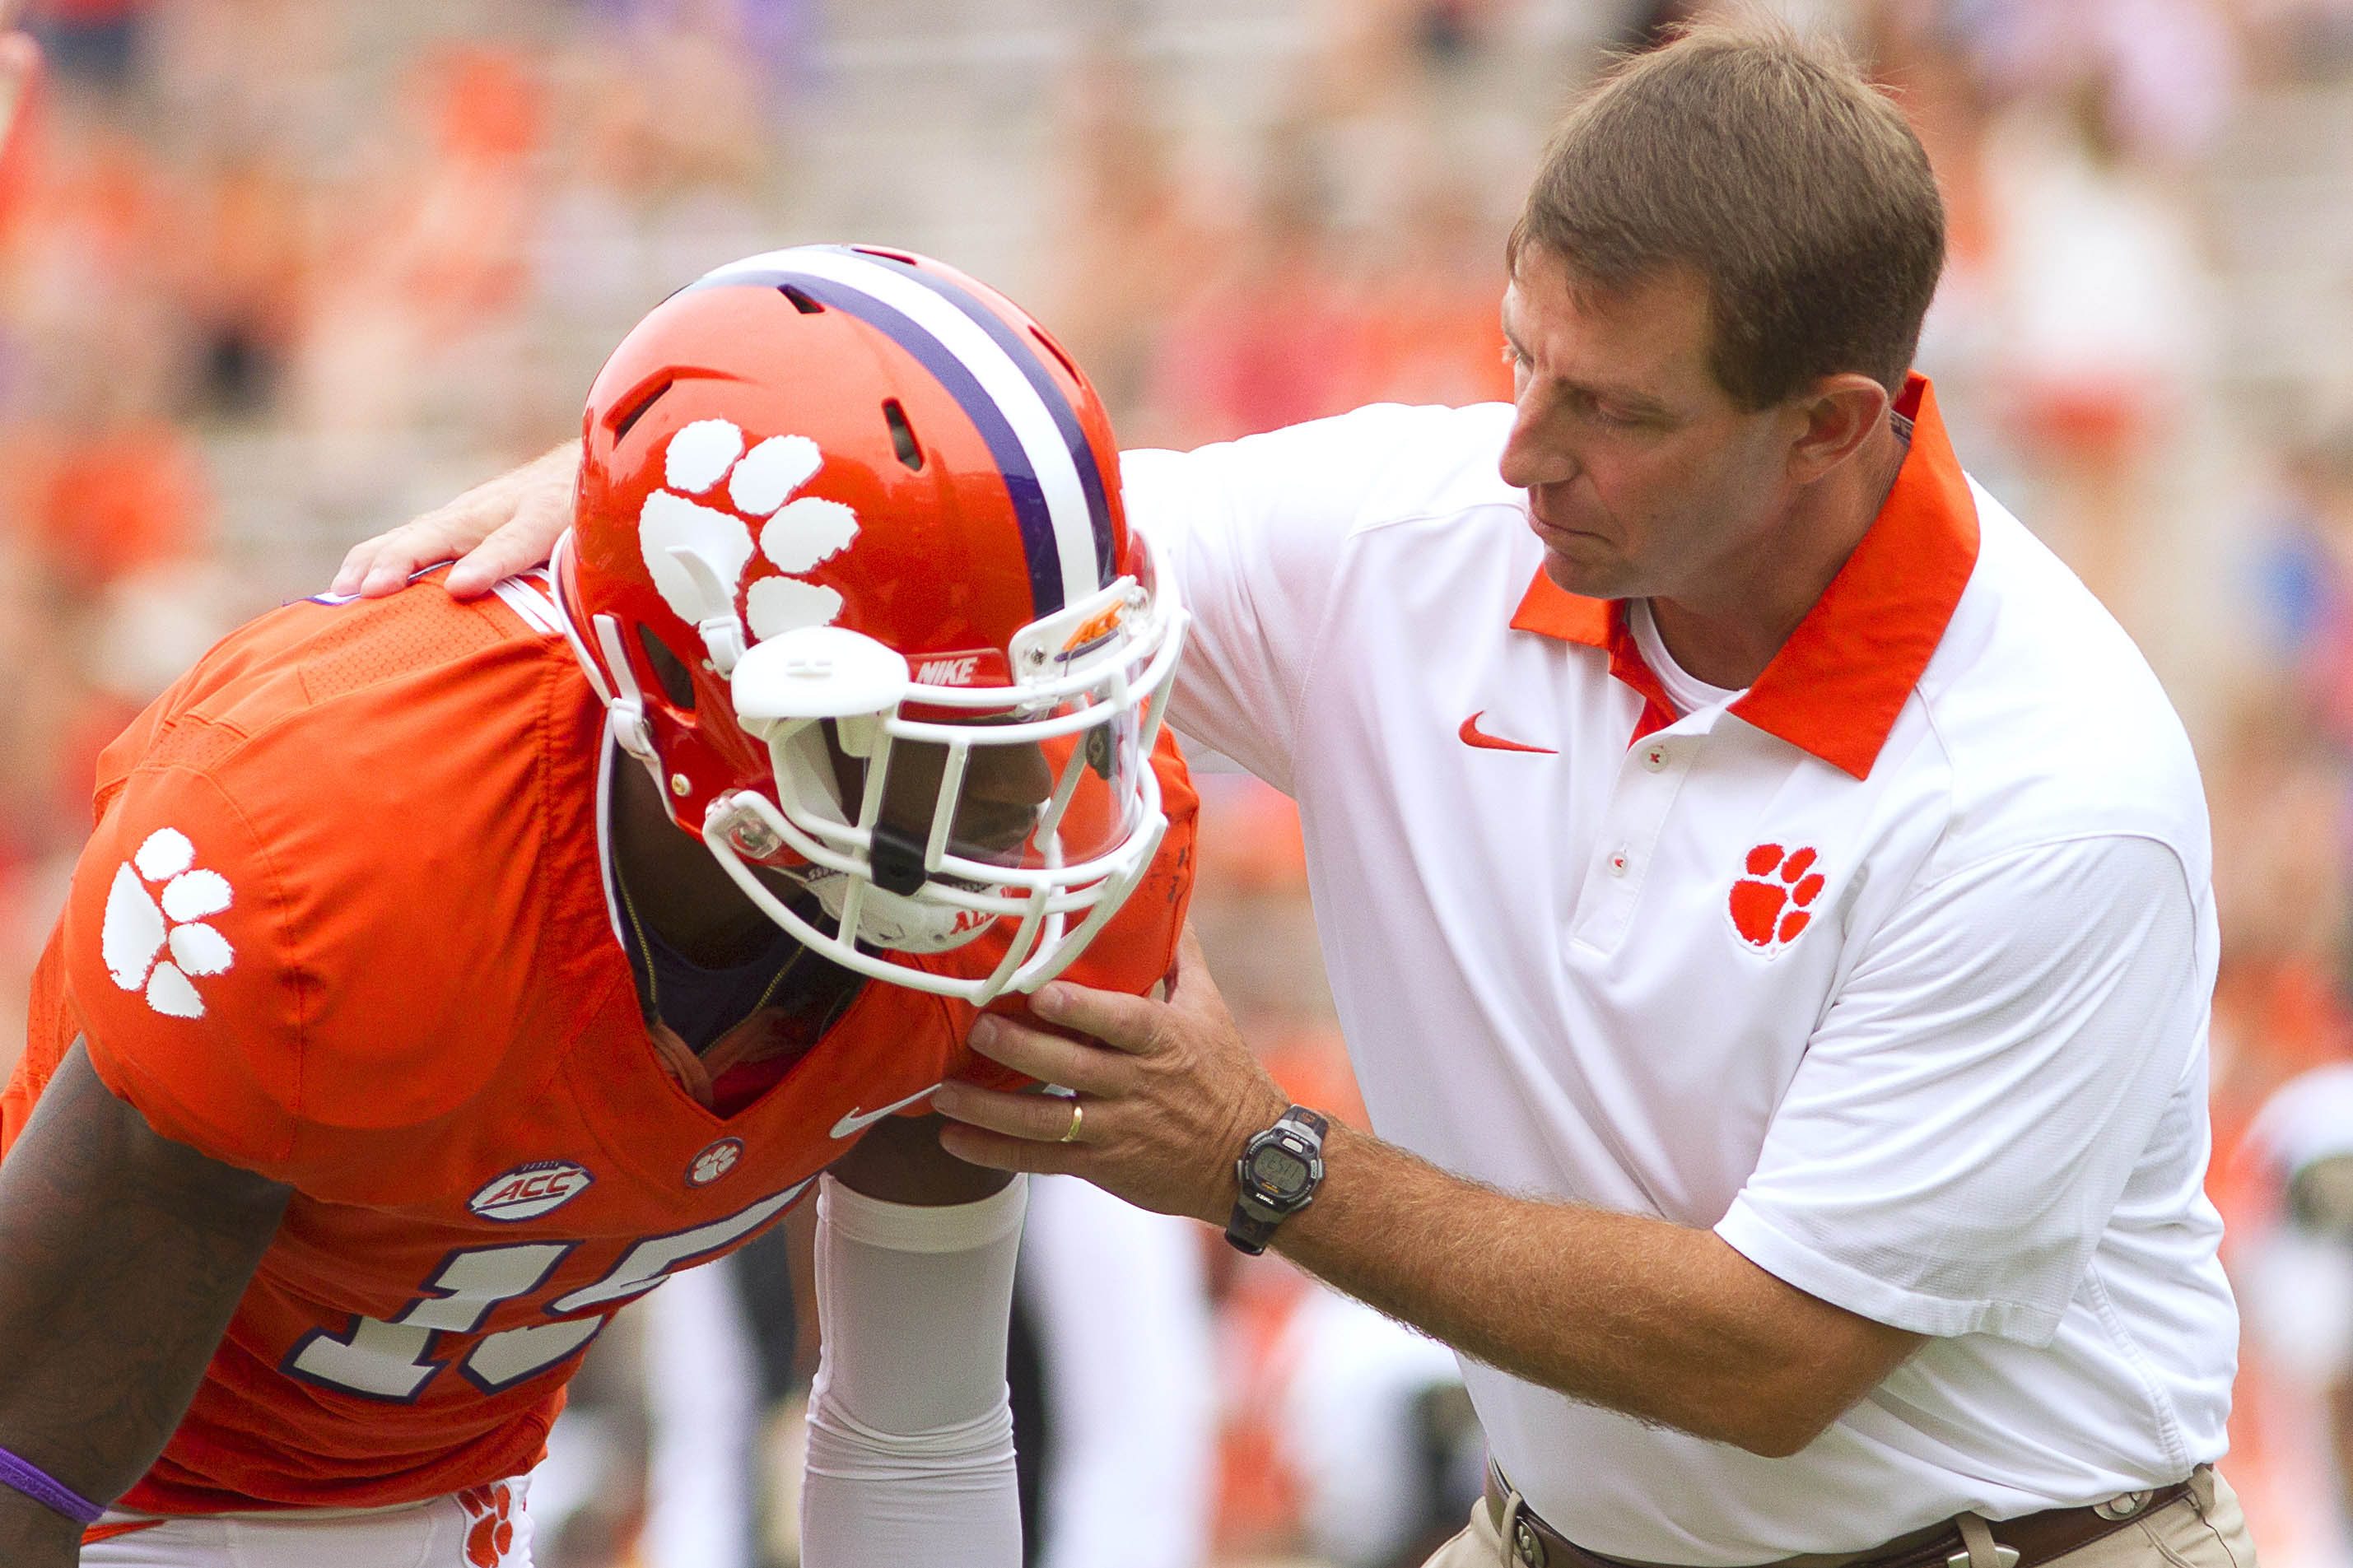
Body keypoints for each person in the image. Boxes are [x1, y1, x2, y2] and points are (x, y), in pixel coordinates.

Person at [337, 23, 2253, 1568]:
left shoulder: (2049, 792)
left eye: (1615, 410)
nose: (1523, 449)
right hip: (1565, 1528)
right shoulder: (1424, 528)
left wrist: (1263, 1159)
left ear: (1836, 422)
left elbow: (1769, 1357)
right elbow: (986, 554)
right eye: (1523, 358)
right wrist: (659, 487)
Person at [0, 242, 1196, 1567]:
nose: (1026, 802)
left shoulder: (992, 881)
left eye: (1034, 715)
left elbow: (918, 1434)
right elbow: (21, 1462)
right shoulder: (327, 856)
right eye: (936, 724)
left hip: (454, 1494)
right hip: (132, 1497)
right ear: (698, 688)